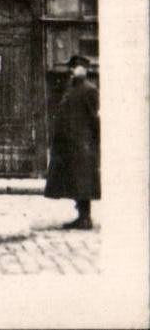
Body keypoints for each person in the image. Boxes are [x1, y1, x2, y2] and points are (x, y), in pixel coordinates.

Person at [44, 54, 100, 229]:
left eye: (76, 67)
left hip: (82, 144)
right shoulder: (71, 88)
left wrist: (92, 142)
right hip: (69, 143)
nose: (73, 70)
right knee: (75, 181)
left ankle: (86, 217)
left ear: (83, 70)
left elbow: (94, 118)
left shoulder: (90, 89)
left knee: (83, 181)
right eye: (73, 67)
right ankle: (81, 216)